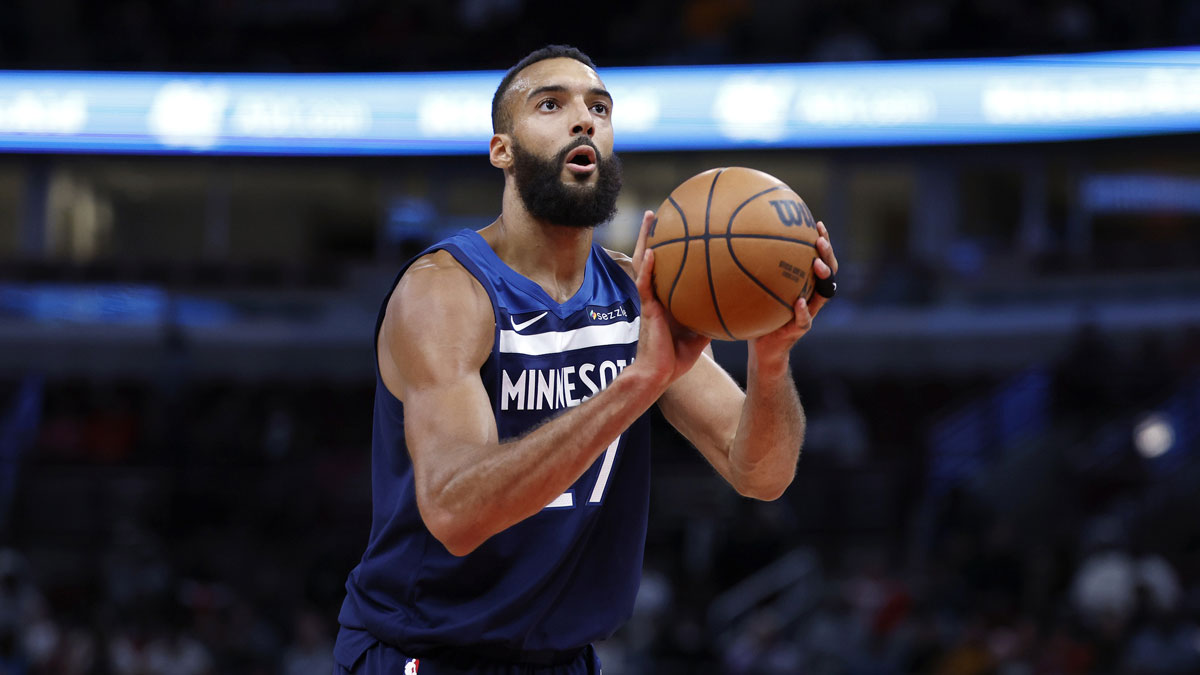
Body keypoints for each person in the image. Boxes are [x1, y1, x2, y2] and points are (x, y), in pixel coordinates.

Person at [333, 44, 840, 675]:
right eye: (551, 104)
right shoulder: (445, 292)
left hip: (562, 660)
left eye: (599, 107)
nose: (584, 120)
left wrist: (769, 355)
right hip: (425, 652)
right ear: (503, 151)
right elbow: (455, 513)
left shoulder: (636, 294)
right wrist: (638, 384)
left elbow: (762, 474)